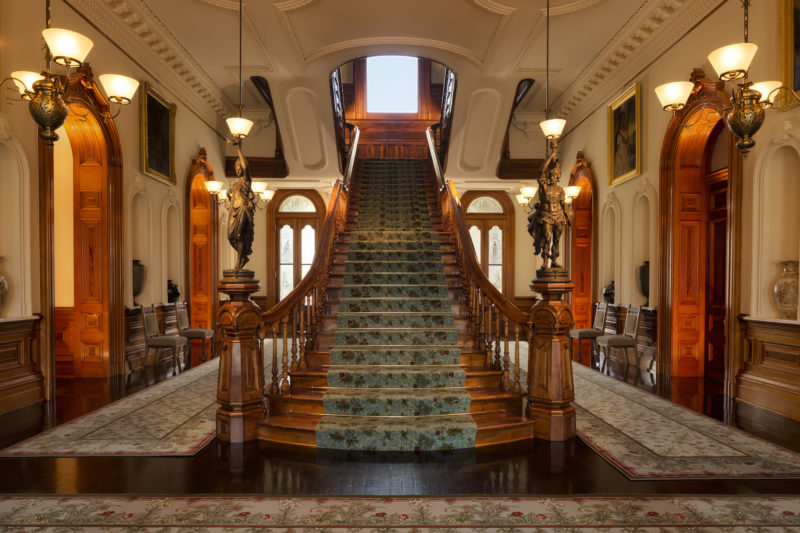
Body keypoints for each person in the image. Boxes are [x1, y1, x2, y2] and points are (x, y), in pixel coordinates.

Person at [527, 151, 572, 270]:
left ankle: (554, 260)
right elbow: (542, 170)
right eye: (550, 175)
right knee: (547, 237)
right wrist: (552, 154)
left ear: (558, 177)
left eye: (554, 176)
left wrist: (568, 214)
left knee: (557, 239)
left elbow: (563, 204)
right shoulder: (544, 187)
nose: (551, 177)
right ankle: (545, 260)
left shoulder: (561, 190)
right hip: (546, 215)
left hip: (559, 215)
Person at [226, 140, 256, 271]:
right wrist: (228, 195)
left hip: (244, 208)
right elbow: (233, 199)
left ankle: (239, 261)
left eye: (240, 167)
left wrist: (237, 147)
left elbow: (245, 167)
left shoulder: (246, 180)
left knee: (239, 235)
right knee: (230, 235)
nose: (238, 169)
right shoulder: (235, 184)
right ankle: (243, 256)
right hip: (234, 209)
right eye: (236, 167)